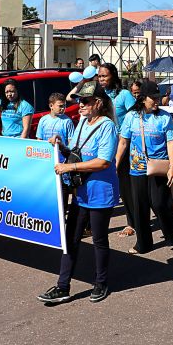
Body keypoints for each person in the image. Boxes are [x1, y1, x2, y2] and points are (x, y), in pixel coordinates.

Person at [37, 82, 118, 304]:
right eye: (79, 100)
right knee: (70, 239)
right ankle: (63, 286)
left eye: (85, 101)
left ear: (98, 103)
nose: (80, 104)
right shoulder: (82, 122)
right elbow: (75, 153)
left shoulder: (108, 126)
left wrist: (70, 167)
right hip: (81, 192)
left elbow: (103, 162)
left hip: (101, 192)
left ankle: (101, 283)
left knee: (99, 240)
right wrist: (60, 145)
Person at [117, 80, 173, 254]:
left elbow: (170, 142)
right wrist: (115, 164)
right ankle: (143, 244)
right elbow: (123, 142)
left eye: (158, 97)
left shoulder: (164, 117)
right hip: (137, 168)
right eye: (153, 98)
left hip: (159, 167)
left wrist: (172, 167)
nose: (157, 101)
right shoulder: (131, 117)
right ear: (143, 98)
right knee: (140, 207)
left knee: (160, 204)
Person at [97, 63, 137, 238]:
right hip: (103, 144)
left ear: (113, 76)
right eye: (99, 76)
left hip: (123, 144)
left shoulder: (124, 95)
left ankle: (131, 223)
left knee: (124, 185)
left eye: (104, 76)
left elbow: (135, 115)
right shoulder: (99, 95)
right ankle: (93, 224)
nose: (101, 79)